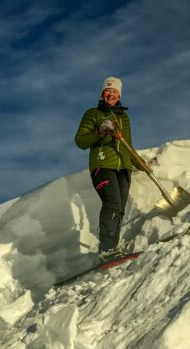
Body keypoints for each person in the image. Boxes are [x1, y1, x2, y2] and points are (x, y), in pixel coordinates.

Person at [74, 76, 134, 259]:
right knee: (112, 202)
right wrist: (100, 131)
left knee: (120, 208)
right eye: (108, 90)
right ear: (102, 93)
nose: (111, 94)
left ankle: (113, 248)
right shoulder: (93, 114)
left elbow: (129, 145)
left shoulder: (124, 118)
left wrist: (141, 164)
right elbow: (80, 141)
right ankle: (106, 248)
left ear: (119, 94)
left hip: (123, 167)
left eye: (115, 91)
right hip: (102, 165)